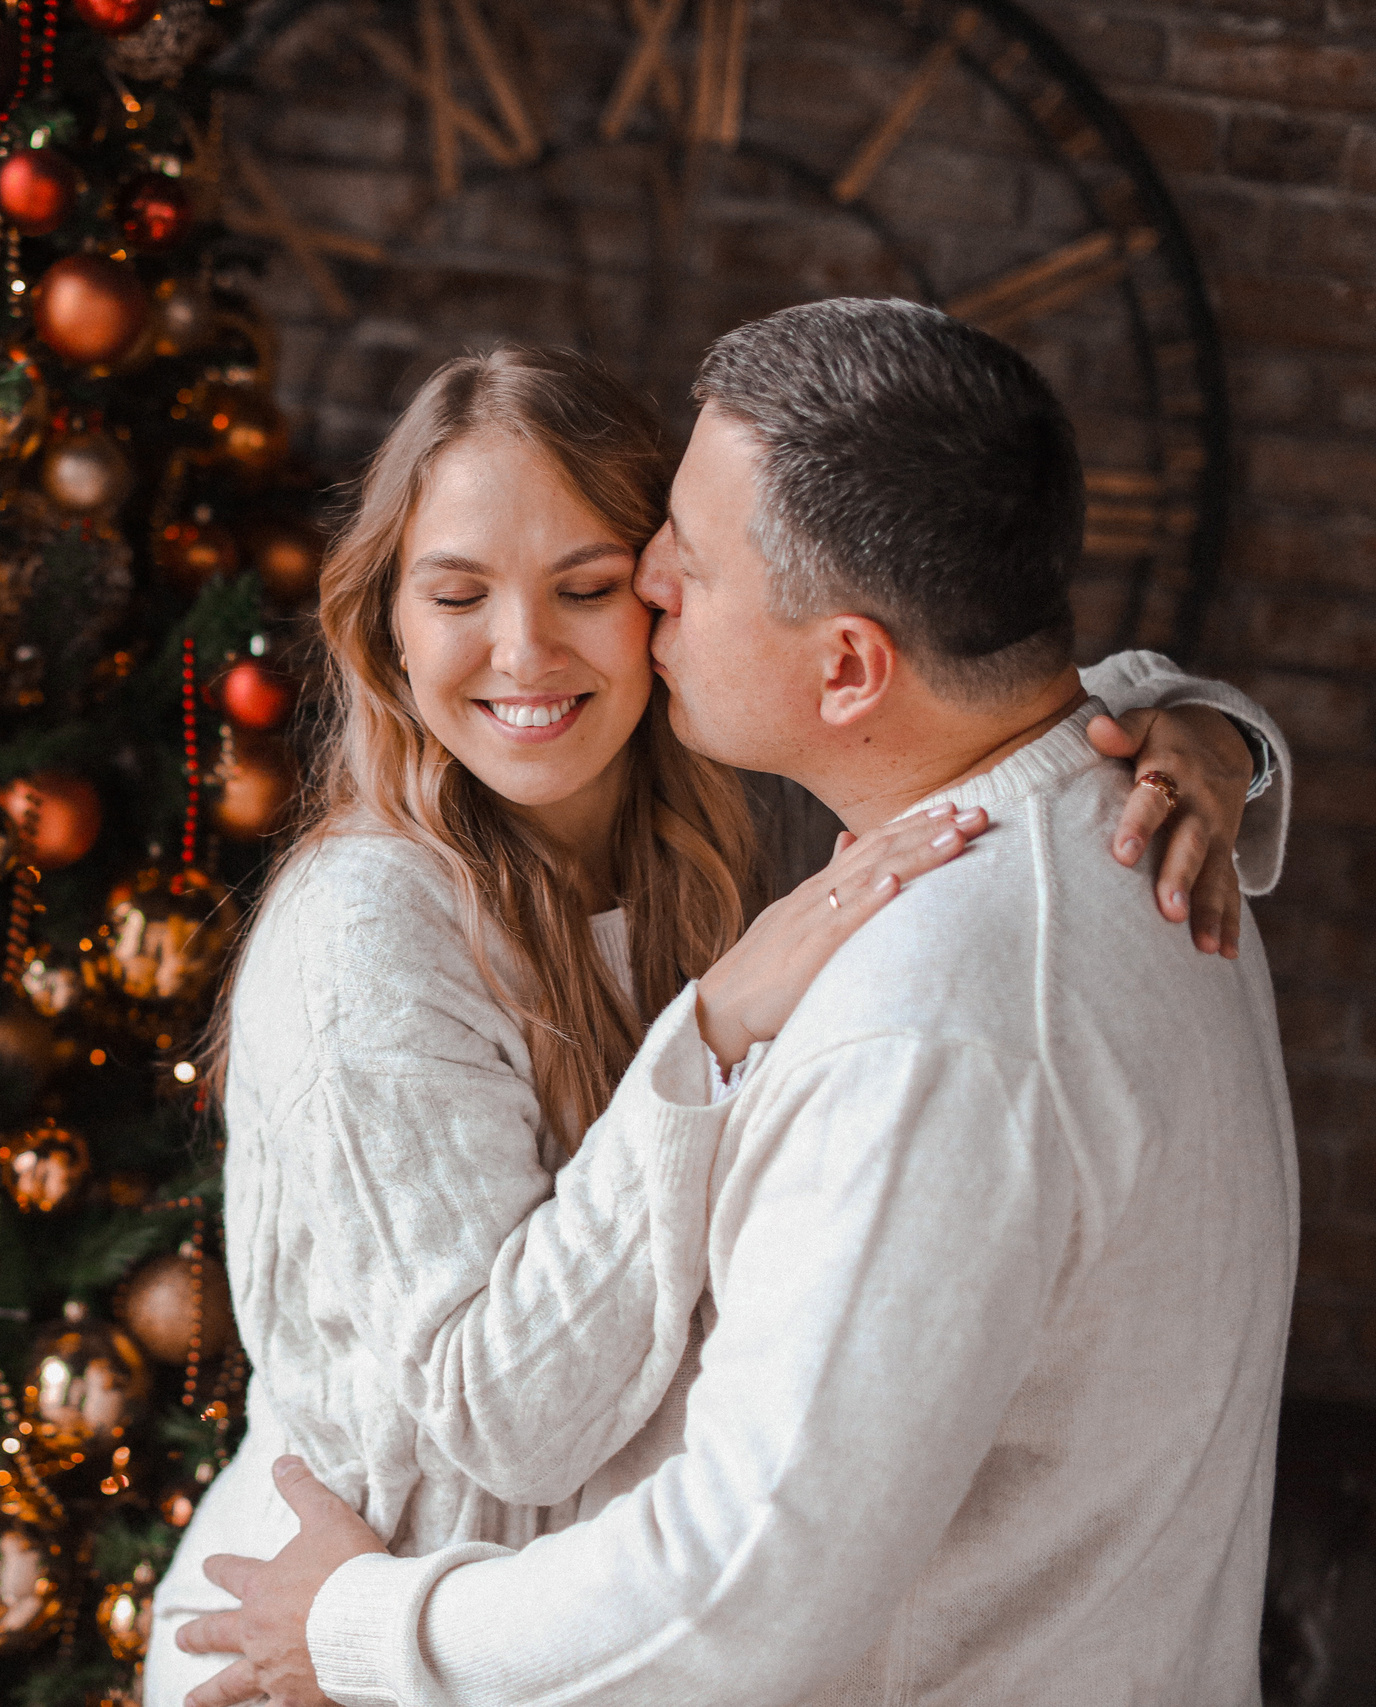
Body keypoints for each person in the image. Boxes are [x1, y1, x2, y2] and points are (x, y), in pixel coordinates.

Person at [170, 301, 1297, 1706]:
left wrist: (1200, 722)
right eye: (458, 592)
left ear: (845, 666)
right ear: (387, 618)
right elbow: (506, 1428)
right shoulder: (1092, 831)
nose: (640, 592)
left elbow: (735, 1589)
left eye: (649, 575)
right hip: (324, 1635)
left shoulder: (930, 988)